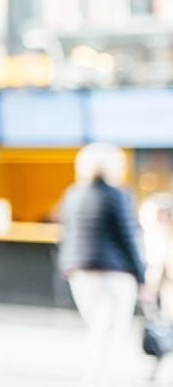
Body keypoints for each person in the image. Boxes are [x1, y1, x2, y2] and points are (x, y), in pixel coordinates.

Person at [57, 142, 147, 387]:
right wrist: (142, 278)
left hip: (80, 273)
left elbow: (65, 234)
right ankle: (101, 379)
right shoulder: (117, 195)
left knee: (98, 328)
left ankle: (97, 377)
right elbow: (128, 238)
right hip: (113, 274)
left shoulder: (73, 194)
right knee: (111, 331)